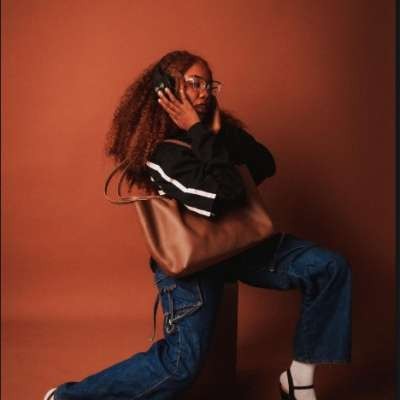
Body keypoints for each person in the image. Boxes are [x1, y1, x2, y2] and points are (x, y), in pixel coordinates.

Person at [44, 50, 352, 400]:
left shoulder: (211, 135)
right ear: (166, 90)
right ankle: (67, 397)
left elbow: (265, 163)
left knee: (328, 267)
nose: (204, 92)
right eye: (194, 84)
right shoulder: (162, 155)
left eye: (209, 85)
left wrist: (216, 134)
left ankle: (299, 378)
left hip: (236, 246)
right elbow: (226, 192)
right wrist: (197, 131)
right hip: (192, 264)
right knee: (180, 366)